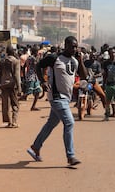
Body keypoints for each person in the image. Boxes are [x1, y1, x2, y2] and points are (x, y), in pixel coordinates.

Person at [27, 36, 87, 166]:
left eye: (76, 46)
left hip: (67, 97)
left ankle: (35, 146)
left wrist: (80, 60)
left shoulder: (75, 61)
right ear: (66, 46)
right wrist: (42, 81)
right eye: (72, 46)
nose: (74, 49)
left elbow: (84, 76)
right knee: (69, 123)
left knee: (51, 123)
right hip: (56, 96)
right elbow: (38, 66)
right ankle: (70, 156)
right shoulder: (54, 58)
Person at [0, 45, 21, 128]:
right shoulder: (16, 61)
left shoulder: (2, 61)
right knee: (15, 103)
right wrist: (19, 87)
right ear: (14, 52)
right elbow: (16, 75)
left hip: (3, 84)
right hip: (12, 85)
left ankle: (9, 122)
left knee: (5, 104)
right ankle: (14, 122)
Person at [22, 46, 43, 111]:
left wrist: (25, 75)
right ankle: (16, 100)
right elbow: (37, 67)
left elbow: (24, 67)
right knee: (29, 92)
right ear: (36, 52)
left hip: (31, 76)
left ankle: (33, 106)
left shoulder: (28, 58)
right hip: (32, 76)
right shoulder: (34, 59)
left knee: (37, 91)